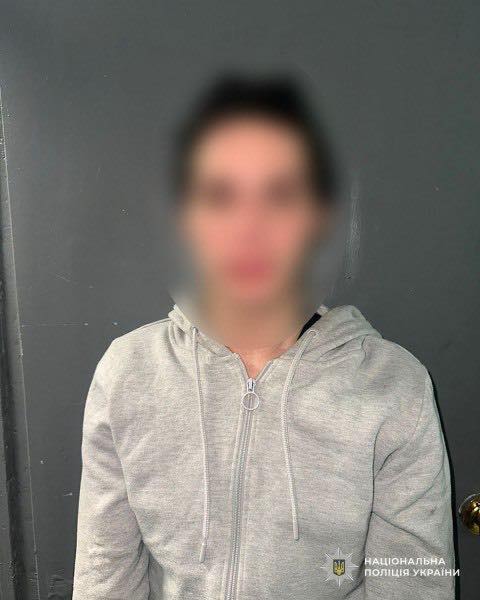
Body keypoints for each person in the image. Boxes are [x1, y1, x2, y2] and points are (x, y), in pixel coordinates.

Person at [72, 75, 455, 599]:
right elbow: (105, 575)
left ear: (317, 220)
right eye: (219, 196)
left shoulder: (395, 389)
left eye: (280, 194)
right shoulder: (128, 373)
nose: (249, 227)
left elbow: (414, 586)